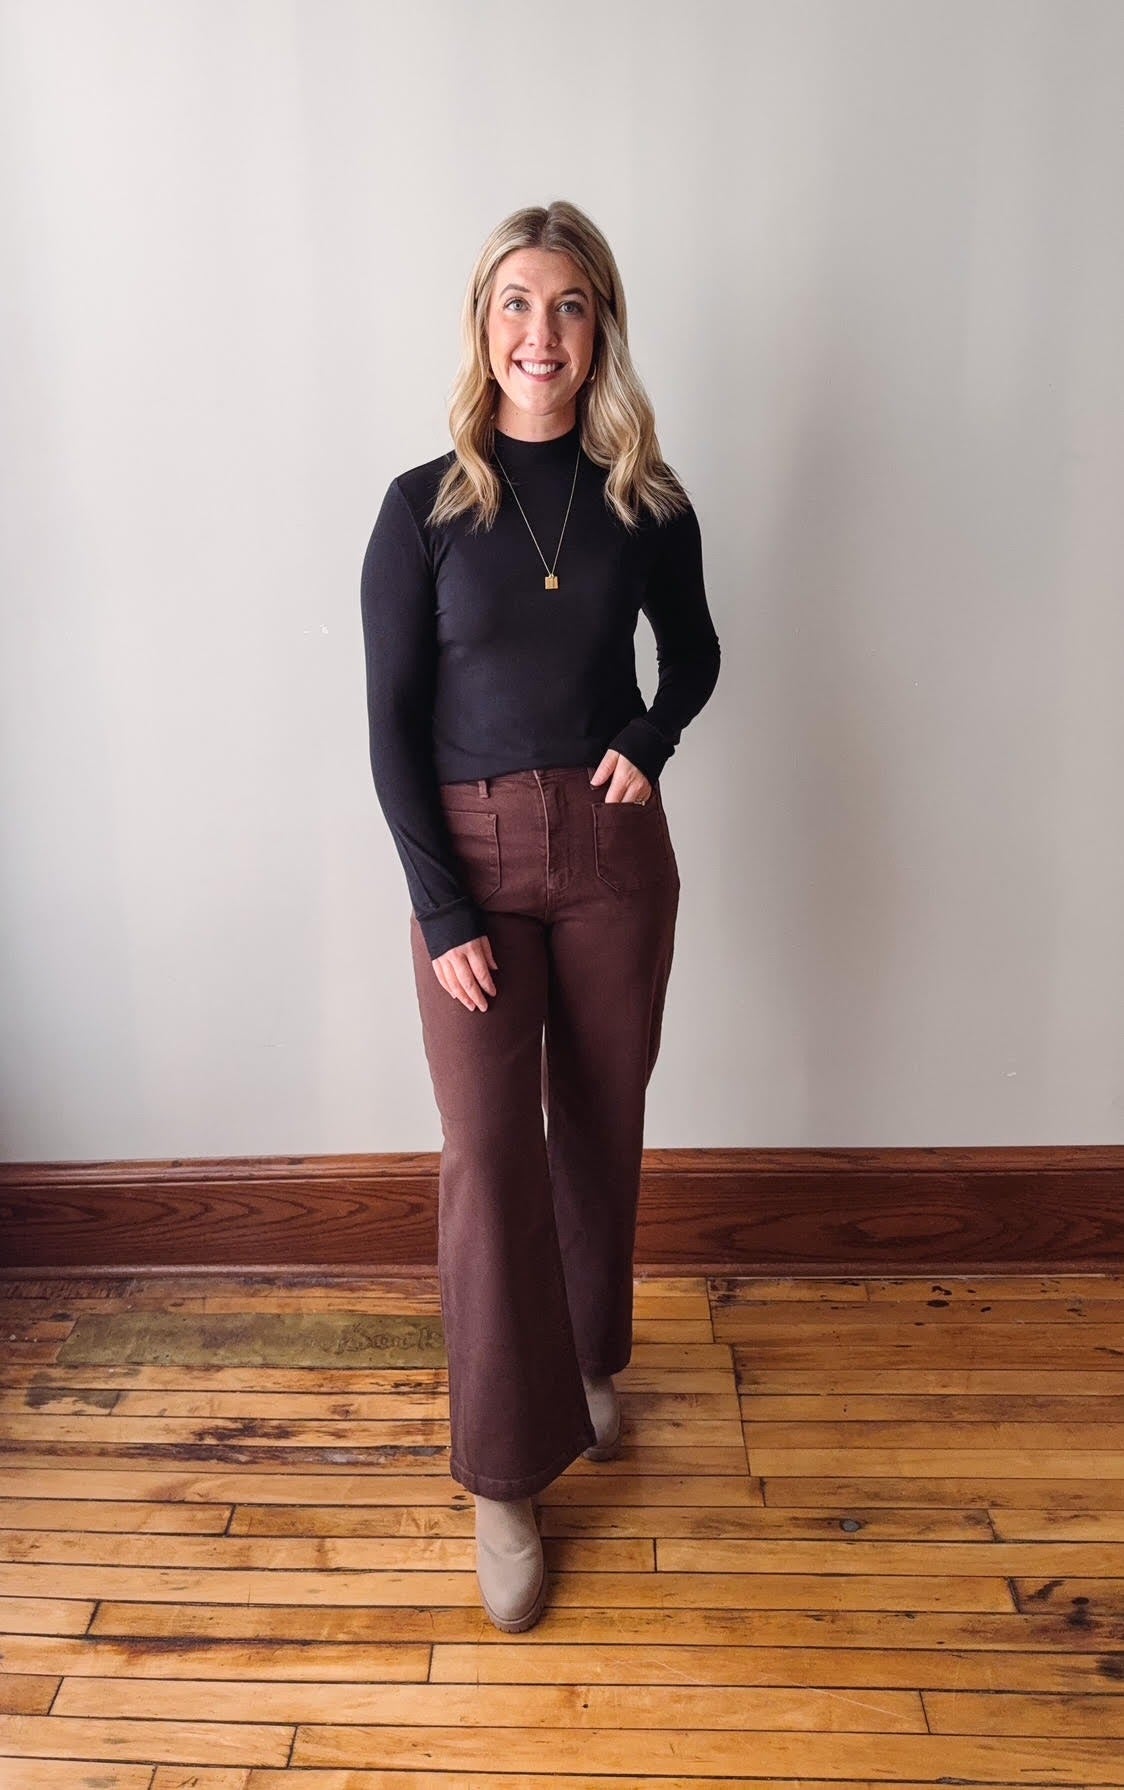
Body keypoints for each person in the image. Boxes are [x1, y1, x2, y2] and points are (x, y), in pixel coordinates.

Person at [360, 199, 721, 1631]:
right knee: (487, 1156)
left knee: (604, 1119)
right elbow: (389, 726)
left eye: (569, 307)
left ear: (600, 328)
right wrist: (440, 905)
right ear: (483, 325)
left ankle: (584, 1357)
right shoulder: (423, 509)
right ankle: (502, 1475)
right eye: (518, 304)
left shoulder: (646, 497)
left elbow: (693, 650)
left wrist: (653, 730)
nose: (541, 334)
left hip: (616, 849)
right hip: (475, 862)